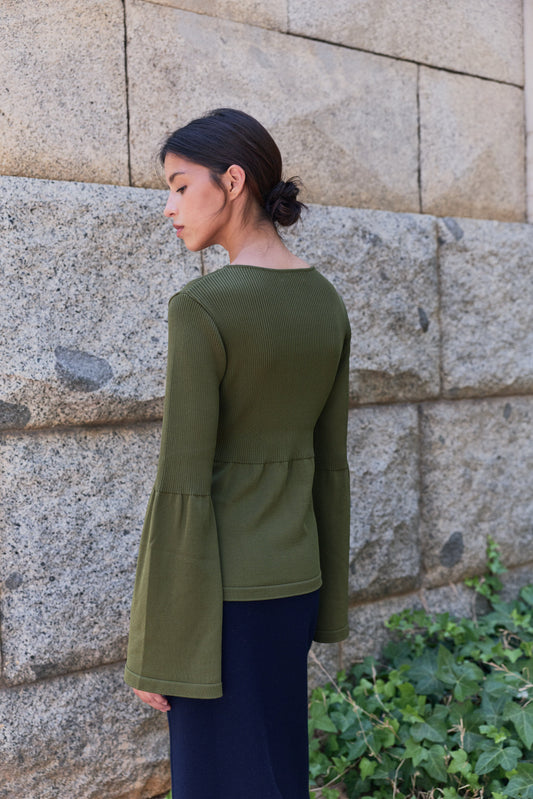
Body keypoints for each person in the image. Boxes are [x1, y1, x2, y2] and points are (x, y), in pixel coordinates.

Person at [124, 108, 351, 799]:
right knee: (274, 775)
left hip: (217, 601)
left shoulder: (203, 307)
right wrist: (328, 603)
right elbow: (330, 465)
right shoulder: (325, 301)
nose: (168, 208)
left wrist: (157, 642)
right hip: (294, 585)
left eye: (178, 186)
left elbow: (183, 479)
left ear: (231, 180)